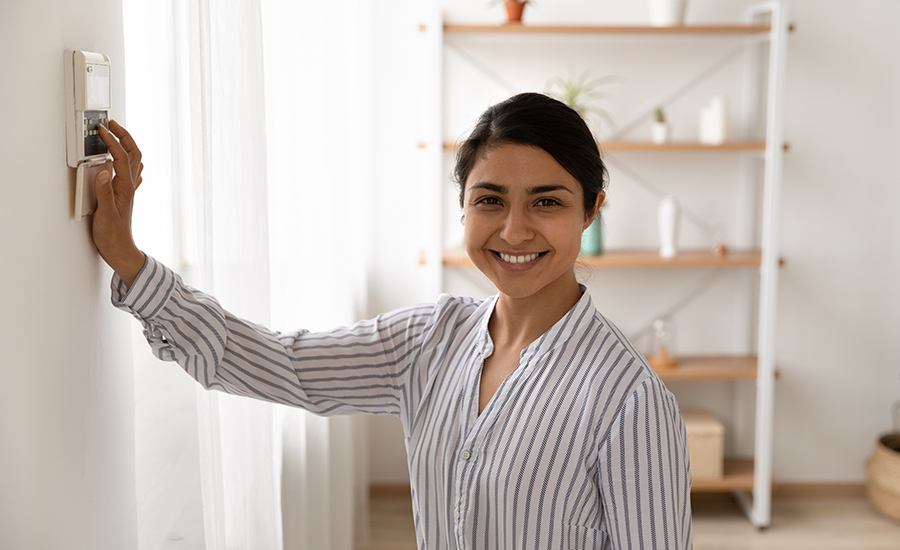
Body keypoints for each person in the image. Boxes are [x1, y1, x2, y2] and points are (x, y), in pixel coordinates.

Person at [94, 92, 692, 550]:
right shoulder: (430, 339)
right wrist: (130, 261)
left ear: (591, 210)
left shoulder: (630, 401)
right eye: (489, 199)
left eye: (547, 201)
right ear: (463, 208)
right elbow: (278, 363)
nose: (514, 231)